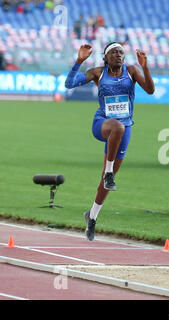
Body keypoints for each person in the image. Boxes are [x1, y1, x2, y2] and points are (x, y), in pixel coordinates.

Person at [64, 42, 155, 241]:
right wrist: (79, 61)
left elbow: (150, 90)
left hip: (124, 129)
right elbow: (69, 84)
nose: (119, 55)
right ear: (106, 57)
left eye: (122, 52)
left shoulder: (131, 71)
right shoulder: (98, 72)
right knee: (117, 128)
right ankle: (108, 173)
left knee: (106, 181)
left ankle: (92, 216)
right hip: (103, 124)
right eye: (114, 52)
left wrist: (145, 67)